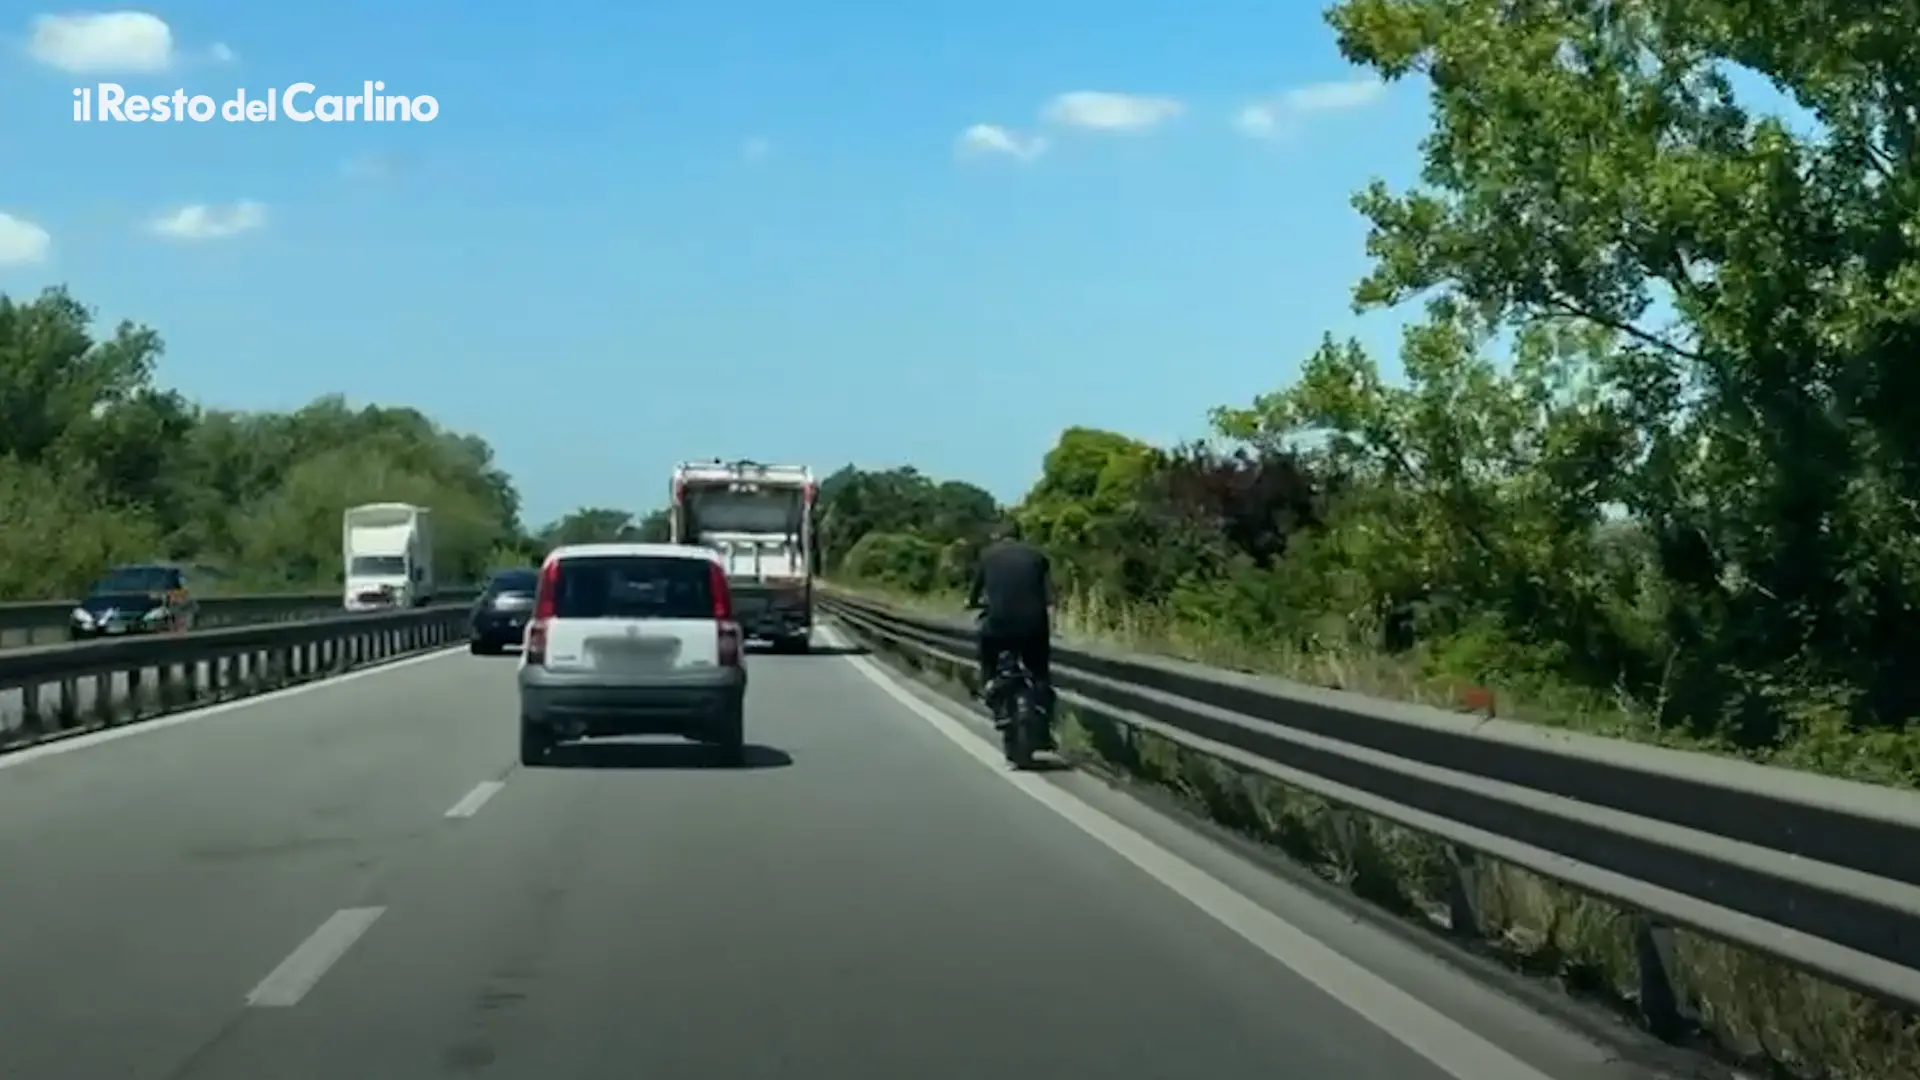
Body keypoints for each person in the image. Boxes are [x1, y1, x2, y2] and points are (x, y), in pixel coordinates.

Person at [966, 519, 1053, 722]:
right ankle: (1043, 704)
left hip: (999, 624)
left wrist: (971, 603)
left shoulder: (987, 555)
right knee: (1040, 669)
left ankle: (988, 683)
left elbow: (974, 592)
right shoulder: (1037, 556)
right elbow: (1049, 595)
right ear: (1019, 535)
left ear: (997, 536)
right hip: (1034, 625)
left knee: (986, 647)